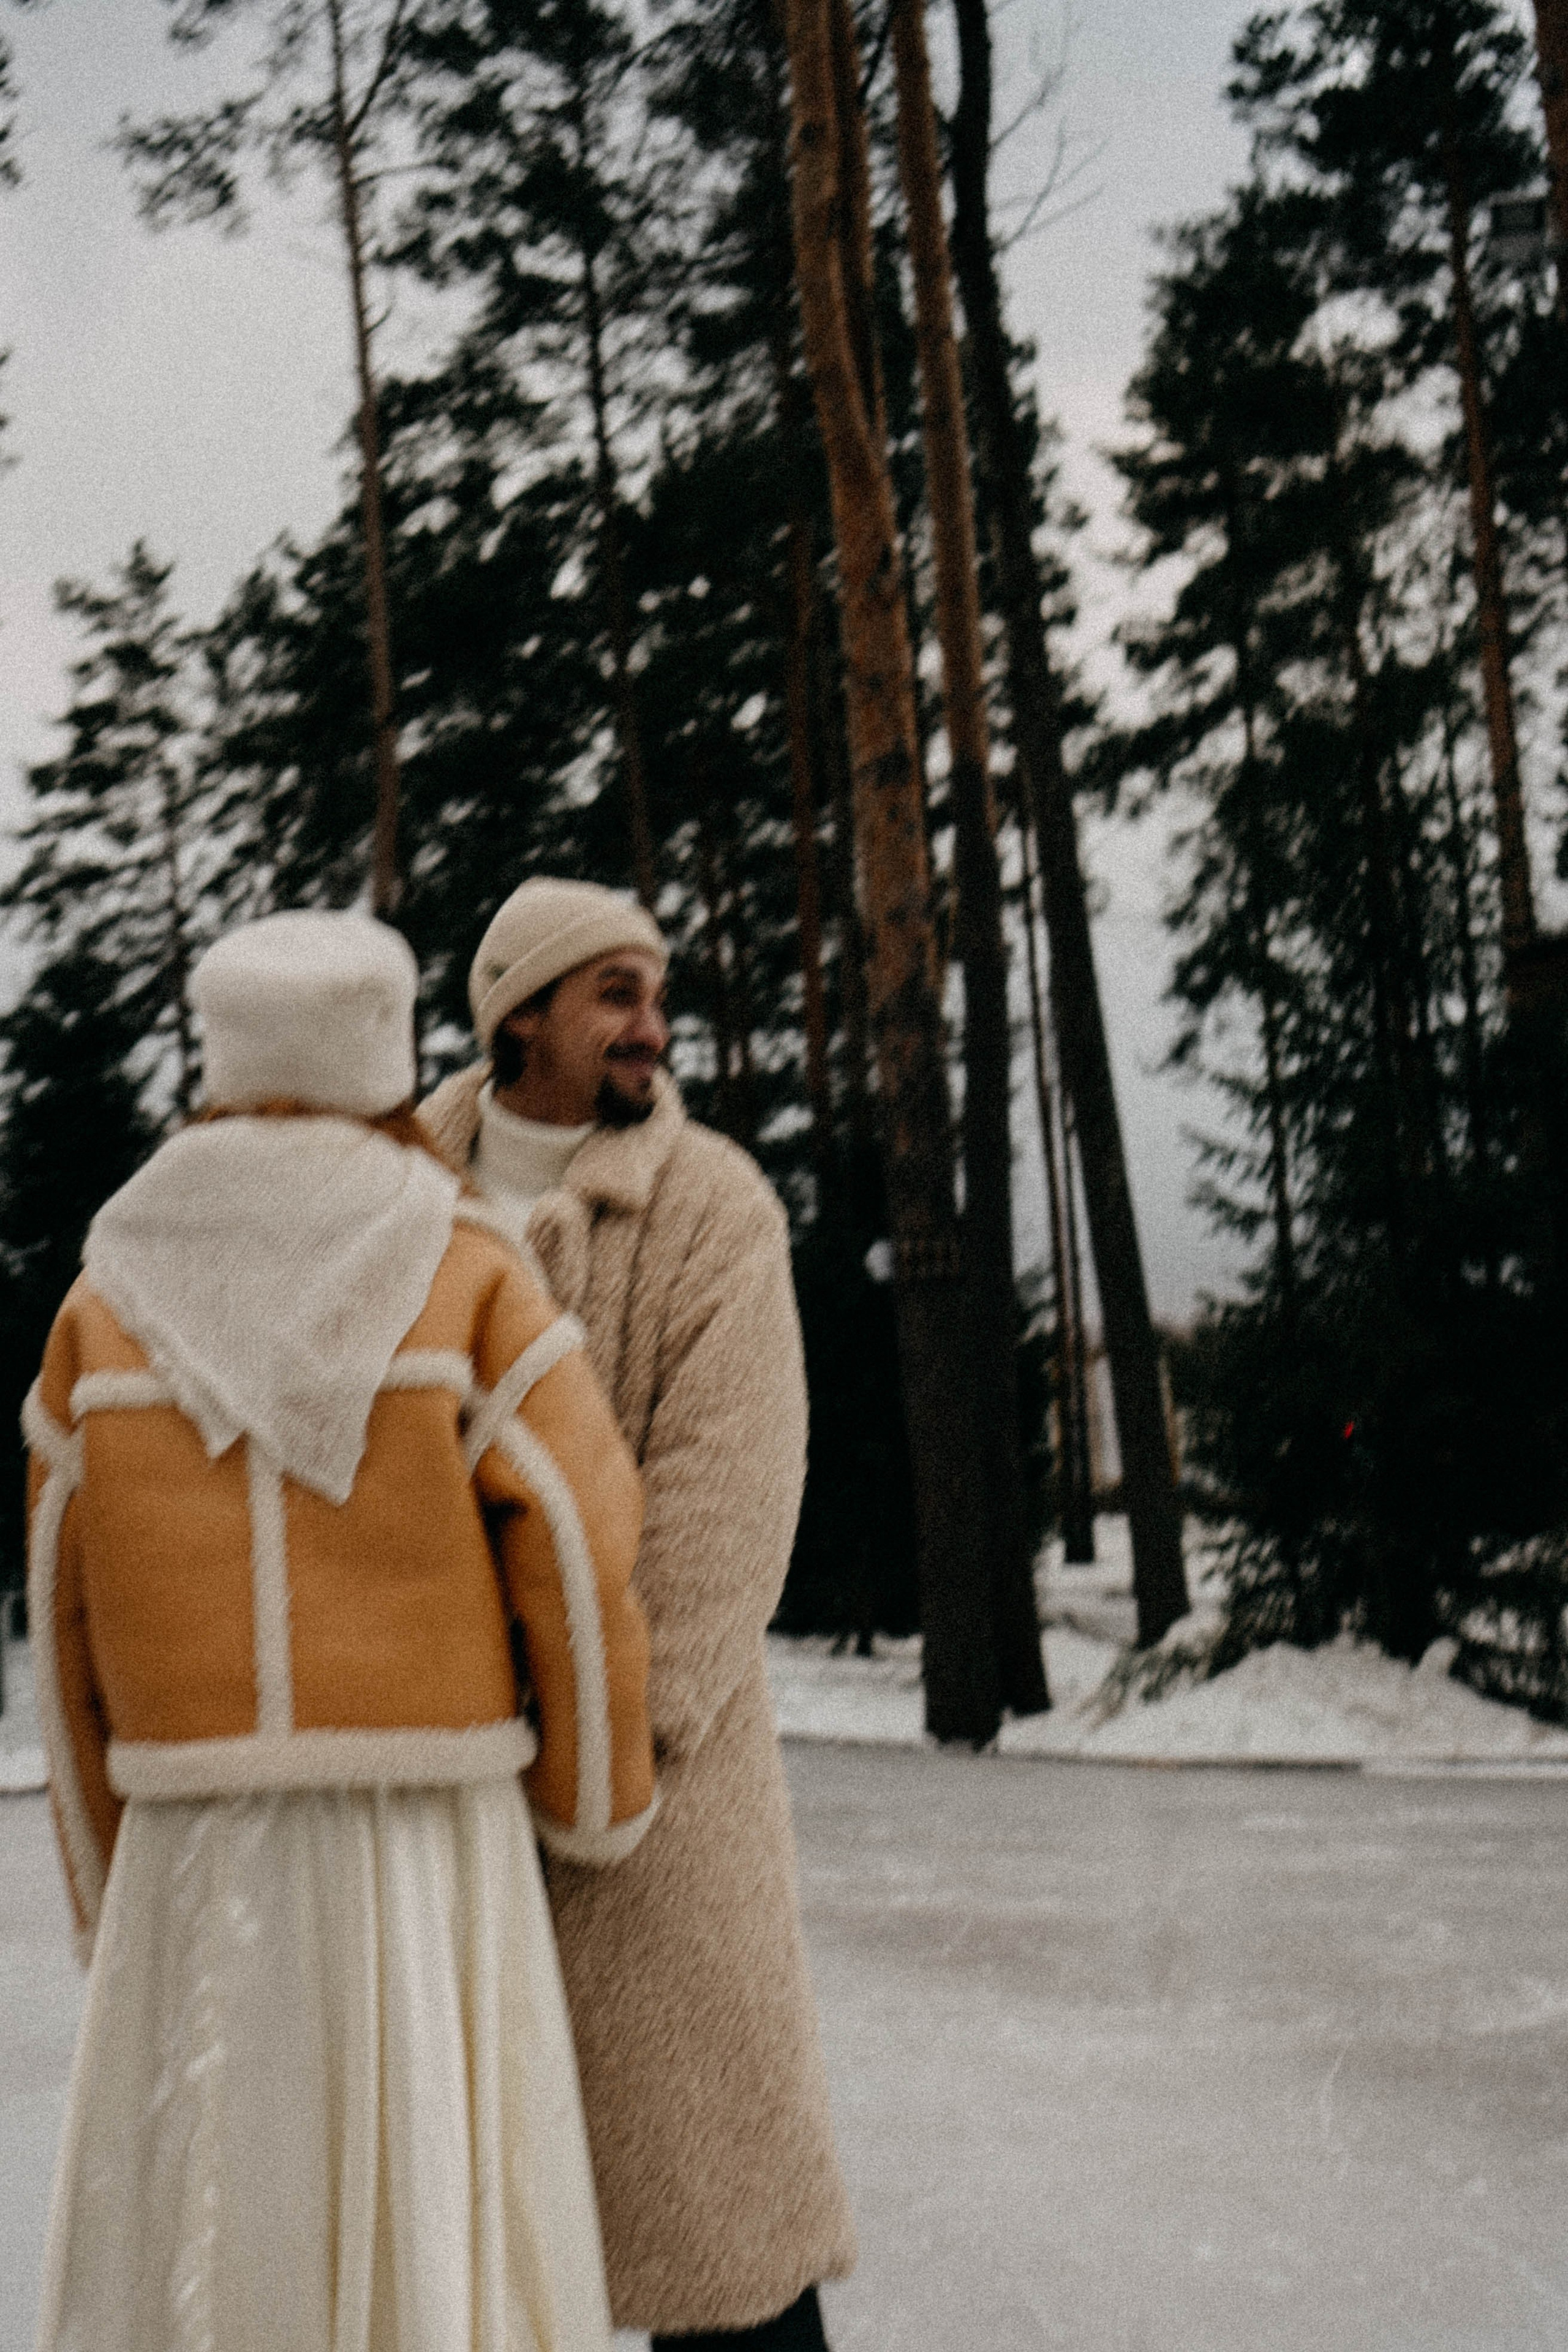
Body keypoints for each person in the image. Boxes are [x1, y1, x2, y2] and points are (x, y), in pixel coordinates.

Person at [24, 908, 657, 2352]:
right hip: (421, 1839)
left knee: (214, 2220)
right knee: (430, 2204)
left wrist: (109, 1872)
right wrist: (592, 1799)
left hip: (197, 1849)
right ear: (384, 1053)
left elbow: (61, 1608)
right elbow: (573, 1537)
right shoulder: (468, 1263)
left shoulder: (106, 1292)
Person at [421, 877, 857, 2351]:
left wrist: (611, 1741)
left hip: (655, 1814)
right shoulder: (391, 1195)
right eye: (613, 992)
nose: (650, 1026)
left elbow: (726, 1507)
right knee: (447, 2247)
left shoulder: (710, 1204)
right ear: (516, 1013)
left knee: (718, 2241)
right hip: (428, 1797)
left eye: (653, 993)